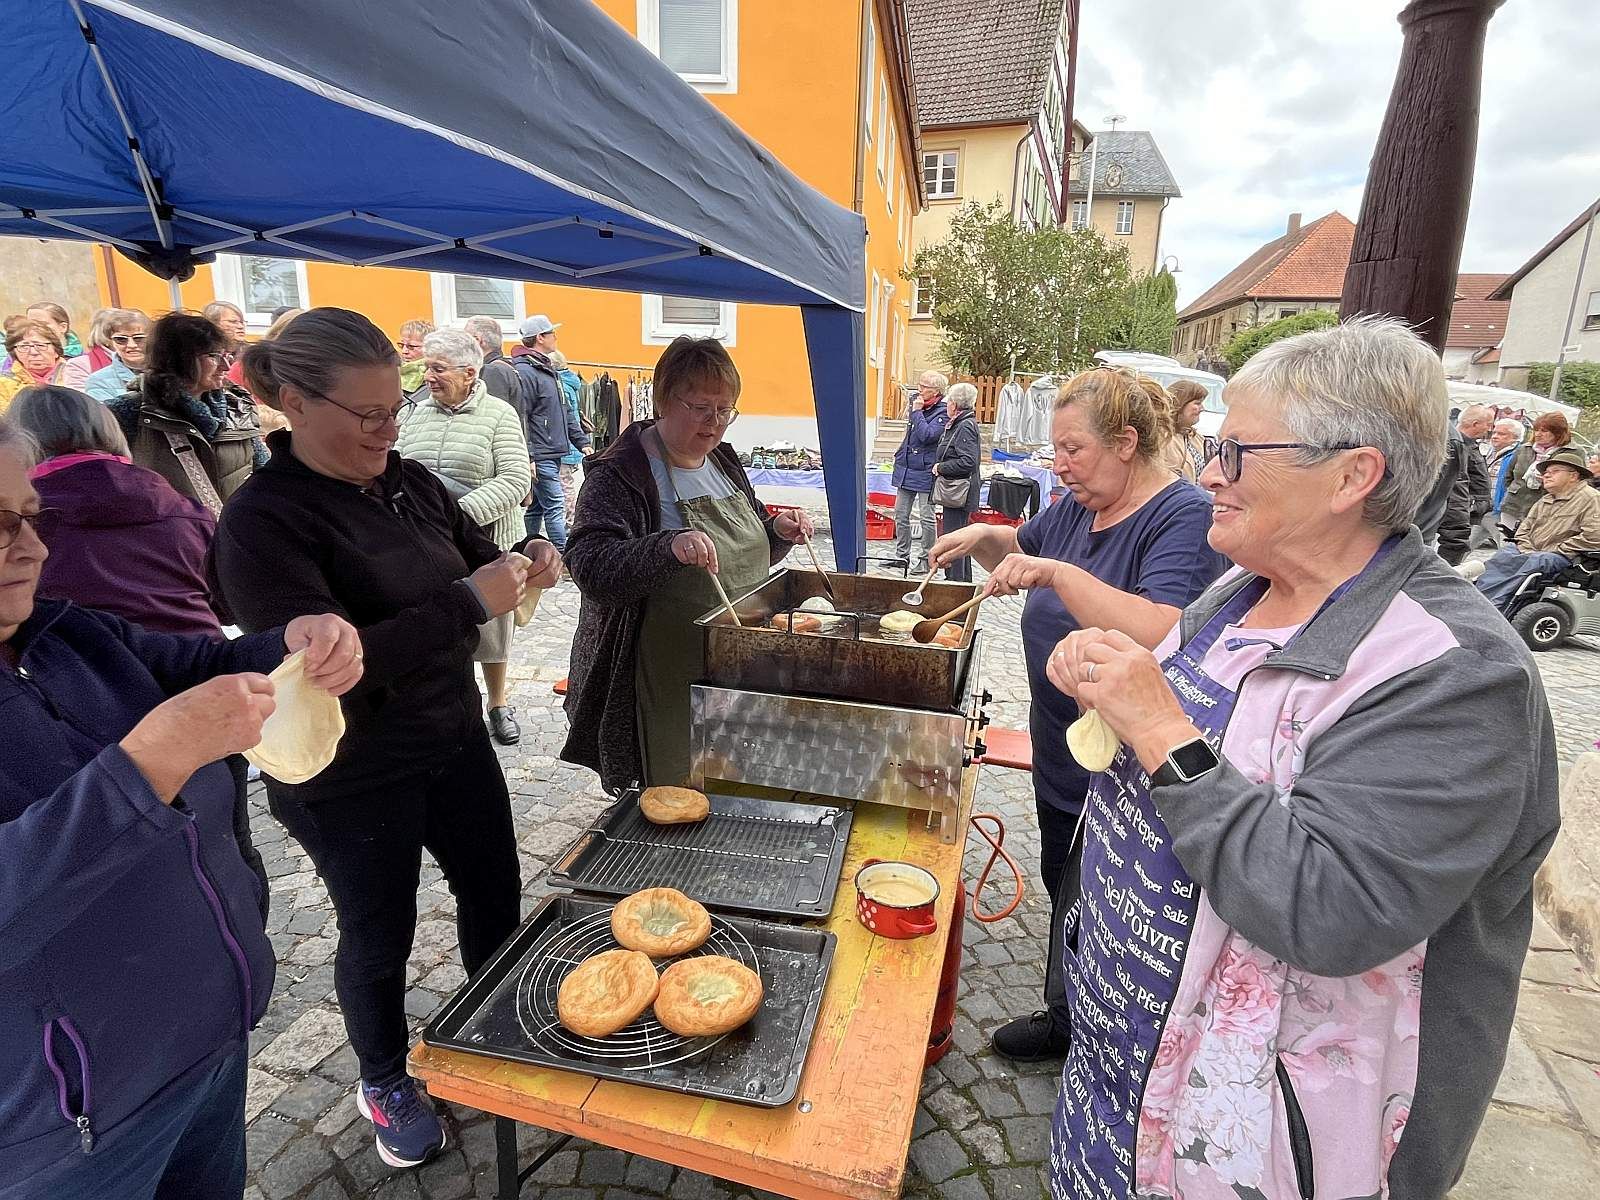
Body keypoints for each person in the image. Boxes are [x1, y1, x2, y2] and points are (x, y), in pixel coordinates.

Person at [1043, 317, 1558, 1200]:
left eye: (1237, 452)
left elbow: (1331, 908)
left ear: (1353, 475)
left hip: (1273, 1142)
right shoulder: (1238, 594)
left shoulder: (1455, 674)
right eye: (1215, 446)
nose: (1209, 474)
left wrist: (1161, 730)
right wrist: (1114, 695)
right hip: (1122, 1077)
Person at [210, 308, 560, 1170]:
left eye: (393, 408)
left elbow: (479, 552)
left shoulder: (409, 480)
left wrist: (532, 555)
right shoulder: (263, 524)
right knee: (378, 928)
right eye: (367, 415)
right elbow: (337, 668)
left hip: (450, 733)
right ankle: (385, 1076)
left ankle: (494, 1019)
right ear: (293, 400)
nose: (387, 428)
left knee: (492, 889)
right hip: (348, 771)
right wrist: (470, 601)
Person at [0, 414, 362, 1200]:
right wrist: (151, 762)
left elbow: (203, 659)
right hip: (70, 1134)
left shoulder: (65, 631)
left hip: (206, 1050)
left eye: (31, 518)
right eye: (0, 526)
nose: (31, 548)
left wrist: (293, 642)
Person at [928, 367, 1227, 1061]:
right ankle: (1067, 1016)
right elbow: (1025, 550)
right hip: (1062, 744)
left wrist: (1064, 576)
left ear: (1126, 442)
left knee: (1115, 902)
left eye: (1073, 450)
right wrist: (981, 537)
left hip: (1129, 765)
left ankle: (1115, 1040)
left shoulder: (1180, 512)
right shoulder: (1080, 506)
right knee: (1067, 882)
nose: (1059, 465)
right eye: (1057, 451)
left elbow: (1163, 627)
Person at [564, 335, 810, 791]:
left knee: (734, 777)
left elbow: (741, 551)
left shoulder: (722, 460)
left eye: (725, 410)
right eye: (700, 407)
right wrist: (666, 548)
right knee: (675, 785)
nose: (714, 423)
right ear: (662, 399)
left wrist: (776, 532)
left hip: (738, 664)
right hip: (663, 671)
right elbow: (588, 566)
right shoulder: (620, 472)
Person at [395, 328, 532, 746]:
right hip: (420, 543)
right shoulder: (414, 411)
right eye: (426, 367)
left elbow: (514, 479)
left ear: (470, 373)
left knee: (492, 631)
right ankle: (449, 699)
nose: (429, 376)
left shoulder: (498, 415)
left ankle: (497, 703)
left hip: (482, 539)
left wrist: (457, 517)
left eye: (438, 369)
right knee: (438, 622)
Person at [12, 385, 219, 637]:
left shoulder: (19, 523)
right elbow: (224, 602)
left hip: (89, 666)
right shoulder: (184, 508)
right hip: (205, 659)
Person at [105, 312, 267, 511]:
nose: (226, 366)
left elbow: (265, 472)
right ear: (180, 359)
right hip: (174, 537)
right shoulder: (127, 414)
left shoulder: (238, 407)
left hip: (234, 532)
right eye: (214, 356)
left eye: (227, 356)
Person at [1474, 447, 1600, 609]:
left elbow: (1594, 535)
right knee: (1504, 555)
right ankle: (1477, 599)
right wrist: (1526, 548)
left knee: (1533, 563)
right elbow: (1524, 529)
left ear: (1573, 476)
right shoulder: (1545, 499)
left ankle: (1496, 607)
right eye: (1546, 472)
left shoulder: (1591, 499)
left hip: (1562, 556)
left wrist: (1558, 548)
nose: (1546, 475)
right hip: (1531, 550)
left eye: (1554, 471)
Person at [512, 314, 589, 551]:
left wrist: (582, 441)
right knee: (555, 504)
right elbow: (521, 416)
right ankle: (563, 556)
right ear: (540, 338)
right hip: (541, 453)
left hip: (552, 451)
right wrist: (530, 456)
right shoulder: (525, 372)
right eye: (552, 333)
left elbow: (564, 411)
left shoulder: (548, 370)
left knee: (536, 506)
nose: (556, 338)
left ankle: (525, 551)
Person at [891, 371, 949, 572]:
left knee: (926, 516)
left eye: (924, 387)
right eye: (920, 385)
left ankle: (925, 559)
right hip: (906, 466)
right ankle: (901, 556)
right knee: (900, 514)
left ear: (937, 391)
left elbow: (927, 436)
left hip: (925, 469)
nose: (919, 389)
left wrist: (916, 413)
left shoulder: (942, 411)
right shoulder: (918, 403)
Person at [931, 381, 980, 582]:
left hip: (959, 493)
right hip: (956, 492)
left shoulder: (965, 426)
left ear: (955, 404)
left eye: (949, 401)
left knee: (955, 539)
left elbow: (968, 461)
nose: (947, 404)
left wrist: (941, 467)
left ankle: (956, 582)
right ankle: (961, 581)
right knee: (959, 538)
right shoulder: (960, 423)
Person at [1438, 404, 1495, 565]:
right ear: (1475, 424)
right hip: (1459, 510)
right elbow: (1457, 483)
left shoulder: (1468, 444)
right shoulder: (1455, 444)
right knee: (1456, 545)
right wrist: (1459, 519)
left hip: (1470, 509)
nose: (1490, 429)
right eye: (1488, 424)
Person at [1500, 411, 1572, 534]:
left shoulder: (1571, 452)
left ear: (1558, 433)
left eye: (1544, 431)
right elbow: (1508, 476)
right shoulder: (1524, 449)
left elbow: (1576, 483)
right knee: (1507, 547)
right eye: (1536, 430)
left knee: (1532, 548)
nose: (1538, 434)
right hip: (1513, 506)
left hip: (1547, 509)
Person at [548, 349, 587, 524]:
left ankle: (569, 520)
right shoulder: (571, 382)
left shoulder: (559, 385)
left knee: (564, 485)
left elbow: (564, 415)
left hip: (565, 443)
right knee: (566, 484)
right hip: (572, 442)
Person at [1476, 417, 1526, 548]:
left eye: (1502, 434)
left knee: (1506, 549)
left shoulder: (1520, 454)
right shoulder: (1488, 451)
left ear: (1515, 437)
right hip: (1483, 508)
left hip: (1501, 510)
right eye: (1494, 433)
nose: (1495, 436)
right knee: (1462, 544)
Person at [81, 309, 151, 401]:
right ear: (111, 342)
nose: (131, 345)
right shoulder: (99, 380)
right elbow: (105, 414)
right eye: (121, 339)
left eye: (139, 338)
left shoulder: (172, 371)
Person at [0, 318, 69, 409]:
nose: (33, 352)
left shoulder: (72, 374)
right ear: (14, 353)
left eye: (40, 345)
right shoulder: (4, 383)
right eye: (24, 346)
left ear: (56, 351)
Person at [462, 315, 521, 408]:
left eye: (465, 338)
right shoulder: (505, 367)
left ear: (477, 340)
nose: (462, 344)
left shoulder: (492, 371)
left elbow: (491, 413)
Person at [1164, 377, 1210, 482]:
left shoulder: (1195, 437)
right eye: (1197, 403)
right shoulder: (1163, 439)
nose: (1202, 408)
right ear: (1181, 404)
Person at [59, 307, 117, 389]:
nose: (132, 343)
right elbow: (79, 399)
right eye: (121, 336)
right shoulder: (78, 365)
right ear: (104, 335)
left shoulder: (138, 361)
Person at [397, 318, 434, 401]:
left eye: (411, 347)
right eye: (401, 345)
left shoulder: (433, 375)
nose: (404, 351)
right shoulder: (392, 368)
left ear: (428, 348)